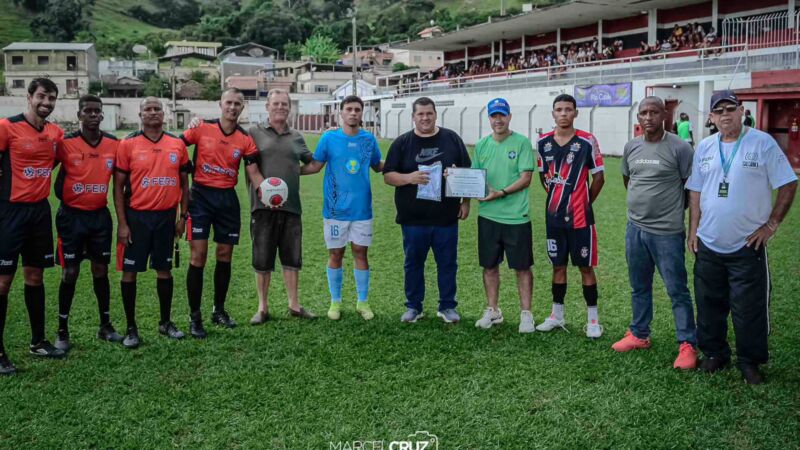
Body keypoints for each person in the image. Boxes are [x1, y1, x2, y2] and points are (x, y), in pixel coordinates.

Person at [687, 90, 797, 384]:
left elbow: (788, 183)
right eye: (718, 111)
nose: (725, 114)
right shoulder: (705, 147)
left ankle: (749, 361)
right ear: (711, 117)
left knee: (749, 308)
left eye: (730, 108)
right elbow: (695, 191)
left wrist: (771, 225)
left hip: (747, 245)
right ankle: (715, 354)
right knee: (708, 304)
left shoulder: (762, 143)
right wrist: (693, 230)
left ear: (741, 111)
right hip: (708, 242)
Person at [611, 96, 697, 369]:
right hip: (635, 229)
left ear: (664, 115)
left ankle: (687, 344)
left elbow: (690, 188)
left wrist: (673, 214)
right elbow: (629, 180)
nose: (648, 117)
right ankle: (639, 334)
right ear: (638, 117)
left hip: (667, 232)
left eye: (653, 112)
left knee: (677, 289)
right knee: (639, 286)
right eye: (643, 113)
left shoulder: (680, 148)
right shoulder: (632, 147)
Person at [180, 88, 260, 338]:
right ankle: (195, 317)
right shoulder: (202, 128)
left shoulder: (245, 139)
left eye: (237, 104)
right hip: (200, 198)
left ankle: (219, 310)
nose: (232, 107)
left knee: (225, 255)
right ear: (220, 104)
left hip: (227, 200)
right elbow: (176, 146)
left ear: (242, 107)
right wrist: (185, 167)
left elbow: (254, 172)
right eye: (229, 102)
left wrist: (269, 193)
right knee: (198, 257)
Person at [383, 97, 471, 324]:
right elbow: (388, 176)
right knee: (413, 264)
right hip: (413, 219)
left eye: (429, 113)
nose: (425, 118)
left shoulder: (451, 139)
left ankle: (447, 306)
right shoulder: (402, 143)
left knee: (448, 264)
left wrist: (466, 202)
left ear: (435, 114)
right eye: (420, 114)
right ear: (413, 116)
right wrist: (409, 178)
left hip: (446, 217)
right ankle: (414, 307)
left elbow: (467, 171)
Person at [114, 97, 191, 348]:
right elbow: (118, 188)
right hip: (137, 218)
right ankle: (131, 328)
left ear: (164, 114)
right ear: (140, 114)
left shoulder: (177, 144)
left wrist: (182, 217)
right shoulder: (127, 144)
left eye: (157, 108)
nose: (153, 112)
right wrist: (122, 224)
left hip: (166, 218)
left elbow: (185, 184)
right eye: (148, 109)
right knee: (130, 272)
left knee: (164, 270)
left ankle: (165, 322)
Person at [0, 78, 66, 374]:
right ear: (29, 97)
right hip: (9, 212)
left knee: (35, 276)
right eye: (42, 96)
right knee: (3, 281)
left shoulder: (55, 133)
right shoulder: (7, 127)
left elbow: (52, 162)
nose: (46, 103)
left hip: (39, 212)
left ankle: (38, 341)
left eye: (51, 98)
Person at [301, 95, 383, 321]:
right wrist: (288, 171)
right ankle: (335, 302)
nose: (353, 113)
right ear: (341, 112)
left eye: (357, 109)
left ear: (362, 113)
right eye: (349, 109)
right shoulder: (329, 138)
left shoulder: (369, 140)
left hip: (362, 210)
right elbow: (315, 166)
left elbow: (378, 166)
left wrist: (407, 164)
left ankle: (362, 301)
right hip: (335, 210)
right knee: (336, 253)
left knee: (361, 253)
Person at [52, 95, 123, 351]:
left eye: (97, 111)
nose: (93, 115)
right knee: (70, 272)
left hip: (99, 217)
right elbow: (45, 166)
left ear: (102, 114)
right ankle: (62, 330)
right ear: (79, 115)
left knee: (100, 270)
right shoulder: (65, 143)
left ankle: (105, 326)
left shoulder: (114, 144)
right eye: (88, 111)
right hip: (71, 218)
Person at [535, 94, 605, 338]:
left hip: (580, 219)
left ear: (575, 113)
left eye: (568, 109)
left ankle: (593, 320)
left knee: (585, 267)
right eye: (559, 109)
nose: (563, 113)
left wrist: (582, 202)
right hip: (554, 219)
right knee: (558, 266)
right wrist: (558, 201)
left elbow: (599, 178)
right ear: (553, 113)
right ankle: (557, 315)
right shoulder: (542, 143)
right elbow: (544, 177)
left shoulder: (587, 141)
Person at [247, 89, 317, 323]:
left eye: (284, 104)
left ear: (289, 108)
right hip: (262, 208)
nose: (280, 107)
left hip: (291, 207)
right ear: (267, 106)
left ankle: (294, 305)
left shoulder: (296, 137)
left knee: (292, 258)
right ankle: (262, 308)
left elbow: (313, 164)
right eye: (275, 103)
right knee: (262, 259)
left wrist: (293, 173)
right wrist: (267, 191)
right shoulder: (254, 132)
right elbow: (249, 165)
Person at [471, 98, 536, 333]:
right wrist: (457, 179)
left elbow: (526, 178)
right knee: (489, 266)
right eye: (493, 115)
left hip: (516, 216)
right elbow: (475, 177)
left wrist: (500, 193)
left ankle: (526, 314)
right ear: (489, 118)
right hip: (488, 216)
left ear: (509, 117)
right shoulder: (481, 145)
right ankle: (493, 310)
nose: (498, 120)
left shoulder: (521, 142)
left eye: (502, 115)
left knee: (522, 267)